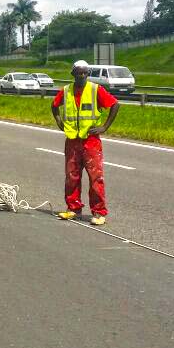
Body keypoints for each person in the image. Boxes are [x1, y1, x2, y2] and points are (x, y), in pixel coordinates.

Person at [50, 60, 120, 225]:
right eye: (79, 73)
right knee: (72, 177)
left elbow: (115, 104)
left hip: (91, 141)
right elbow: (54, 105)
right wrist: (59, 122)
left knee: (95, 178)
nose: (82, 76)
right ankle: (73, 209)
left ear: (88, 74)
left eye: (84, 73)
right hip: (72, 140)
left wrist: (104, 127)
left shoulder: (95, 89)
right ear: (73, 74)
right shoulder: (66, 91)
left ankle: (99, 212)